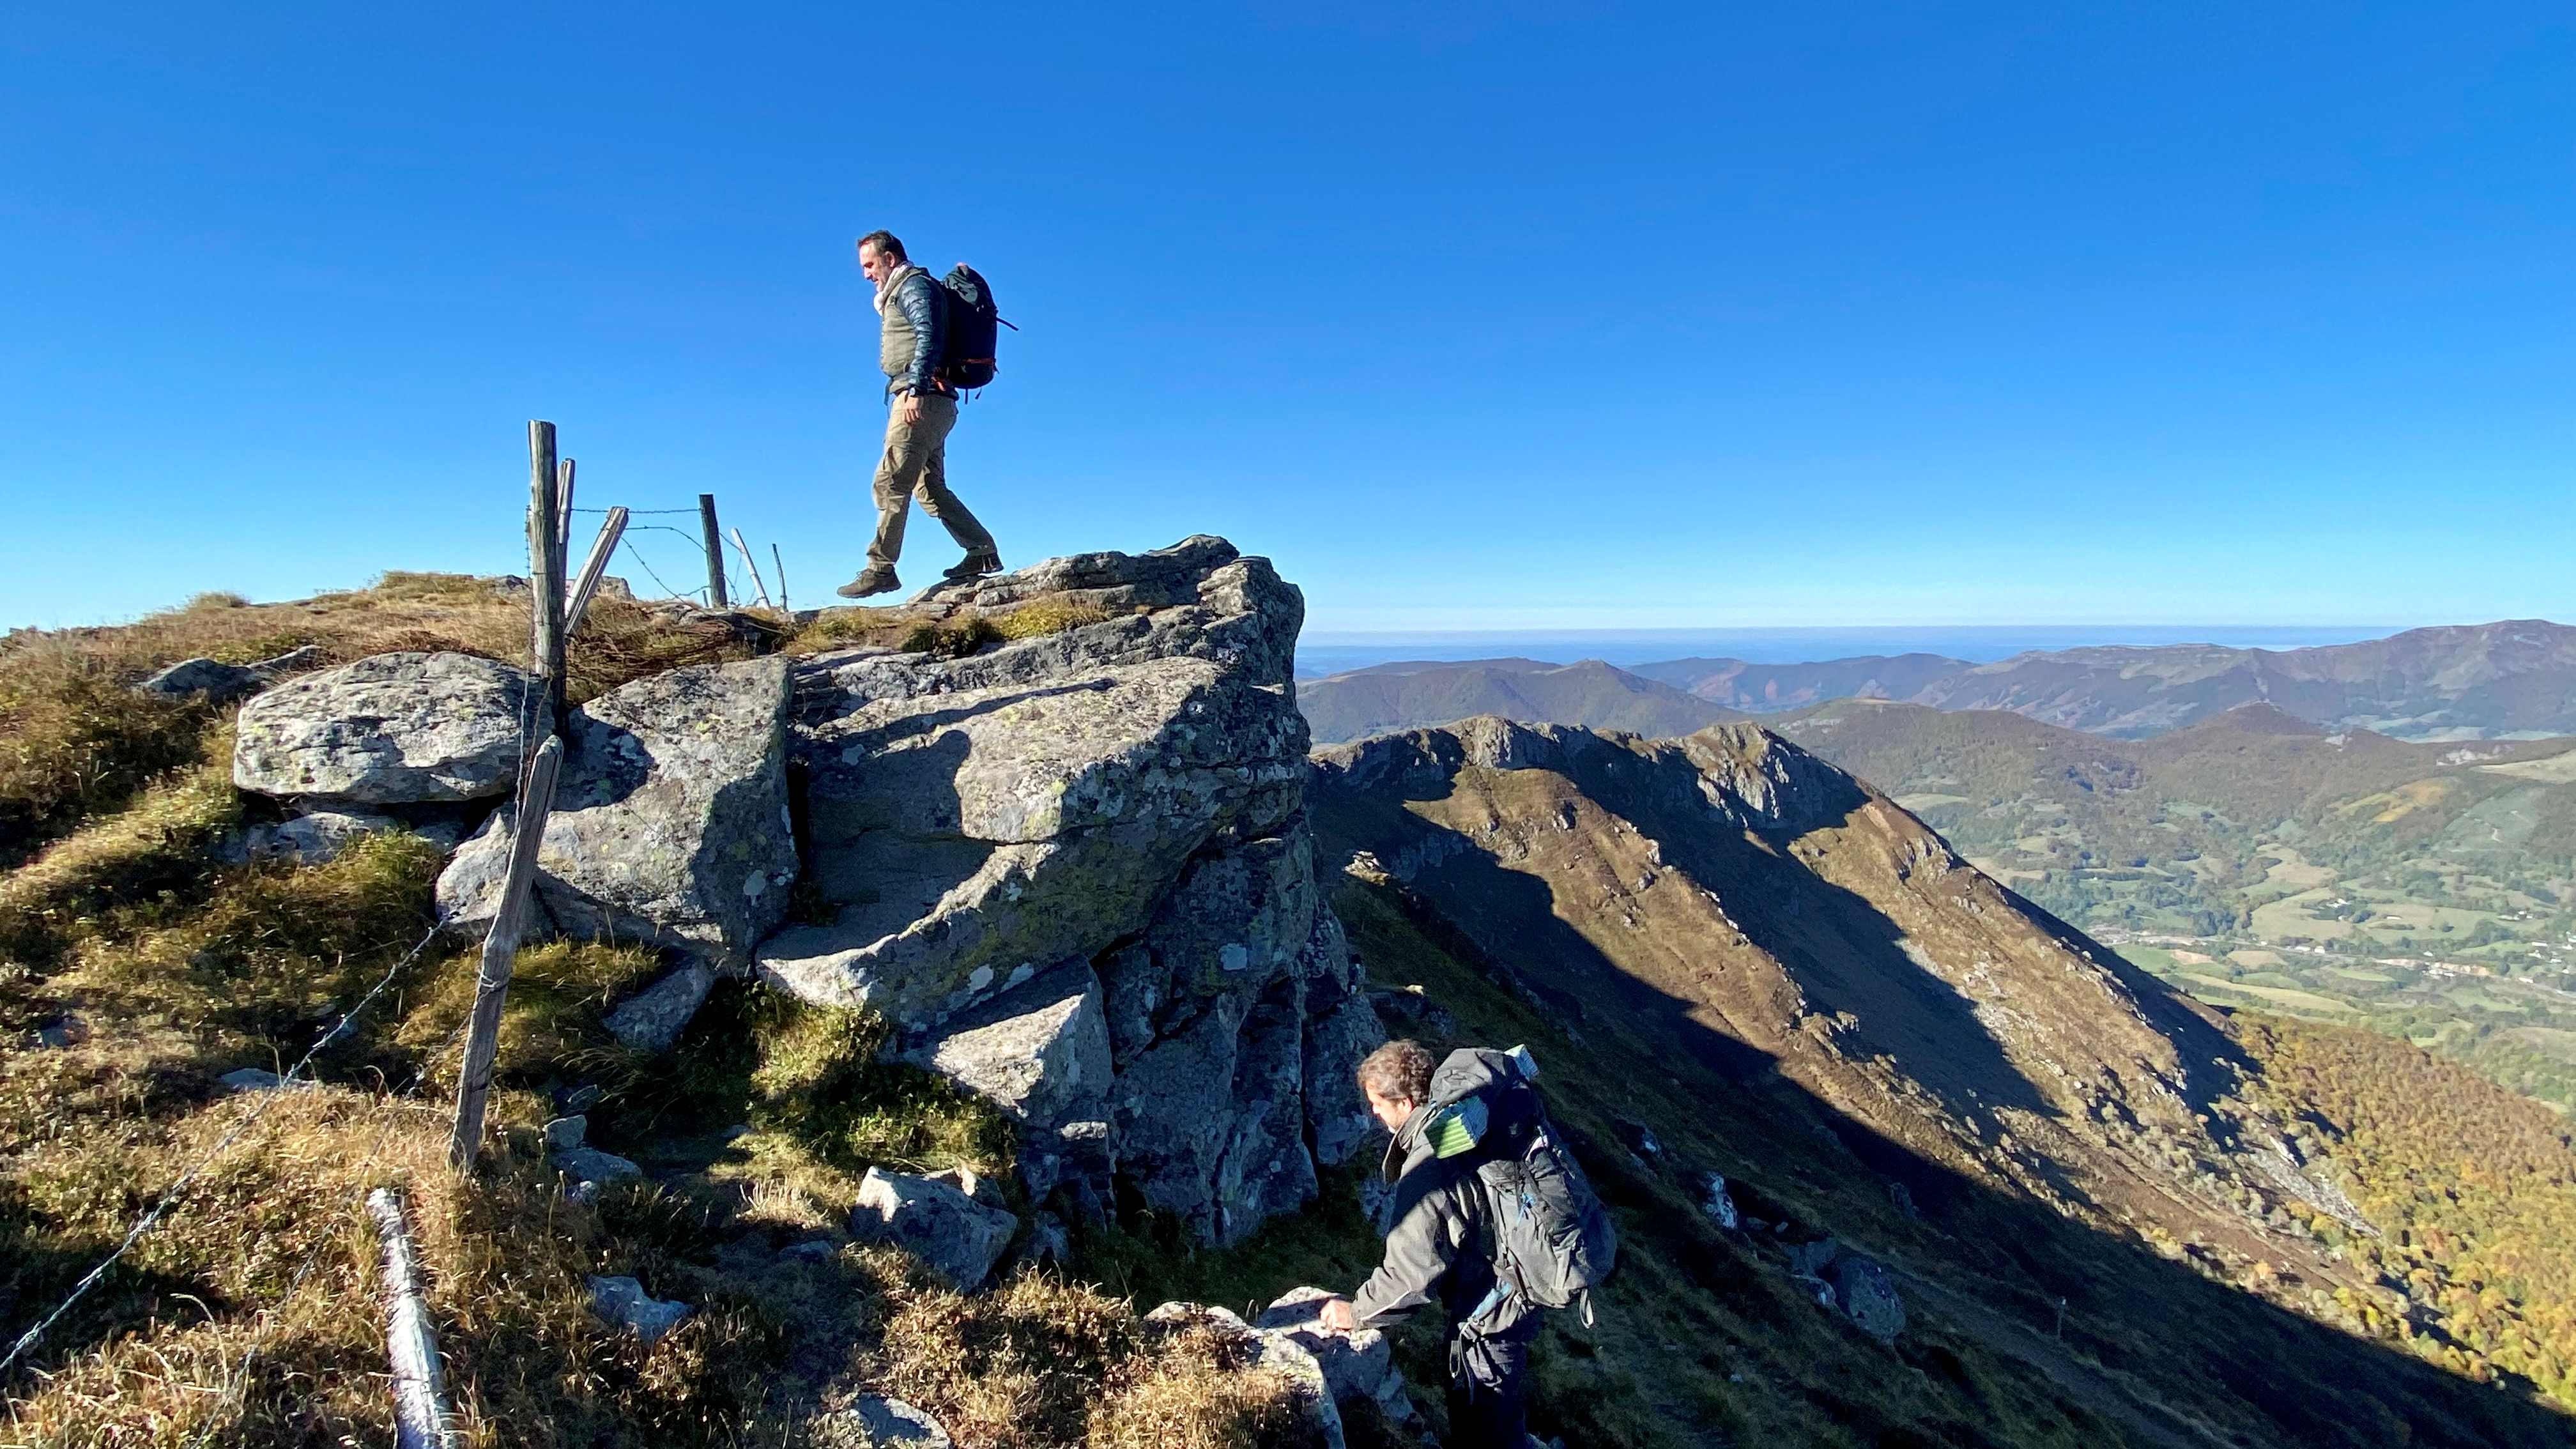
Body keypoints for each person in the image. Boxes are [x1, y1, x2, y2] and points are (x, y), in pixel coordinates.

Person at [1319, 1039, 1541, 1448]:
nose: (1373, 1111)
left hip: (1491, 1305)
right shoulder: (1462, 1119)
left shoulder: (1431, 1156)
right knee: (1501, 1412)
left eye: (1377, 1102)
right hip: (1518, 1278)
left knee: (1486, 1427)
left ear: (1404, 1102)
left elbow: (1412, 1273)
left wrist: (1357, 1312)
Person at [836, 229, 1002, 599]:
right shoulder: (906, 289)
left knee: (891, 481)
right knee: (929, 488)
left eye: (869, 264)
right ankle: (981, 551)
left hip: (921, 398)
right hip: (932, 399)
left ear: (890, 258)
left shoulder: (913, 286)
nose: (866, 274)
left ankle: (880, 569)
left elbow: (930, 334)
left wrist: (916, 387)